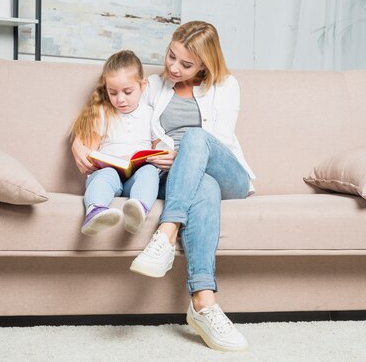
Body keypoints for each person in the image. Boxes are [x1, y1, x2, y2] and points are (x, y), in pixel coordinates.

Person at [131, 20, 256, 352]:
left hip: (225, 169)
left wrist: (185, 152)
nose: (173, 67)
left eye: (186, 64)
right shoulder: (152, 85)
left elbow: (223, 141)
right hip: (175, 178)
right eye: (171, 56)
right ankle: (204, 303)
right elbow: (130, 126)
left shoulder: (227, 86)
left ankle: (166, 232)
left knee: (198, 140)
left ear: (205, 63)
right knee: (204, 189)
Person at [70, 50, 159, 235]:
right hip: (108, 174)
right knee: (107, 174)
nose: (120, 99)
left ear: (143, 86)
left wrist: (146, 158)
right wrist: (88, 159)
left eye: (128, 92)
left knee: (150, 172)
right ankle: (95, 211)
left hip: (135, 177)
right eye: (113, 93)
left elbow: (158, 149)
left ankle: (139, 210)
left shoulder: (150, 114)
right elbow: (88, 151)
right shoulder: (103, 113)